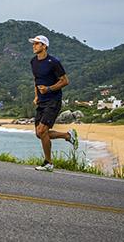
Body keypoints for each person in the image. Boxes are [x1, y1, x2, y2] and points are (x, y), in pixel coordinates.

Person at [29, 35, 78, 172]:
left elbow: (65, 81)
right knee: (40, 134)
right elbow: (36, 80)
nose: (34, 46)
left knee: (42, 130)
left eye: (37, 44)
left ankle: (48, 163)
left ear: (44, 46)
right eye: (33, 44)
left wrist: (49, 89)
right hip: (42, 101)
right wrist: (36, 96)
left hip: (53, 100)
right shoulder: (33, 61)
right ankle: (67, 136)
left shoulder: (53, 62)